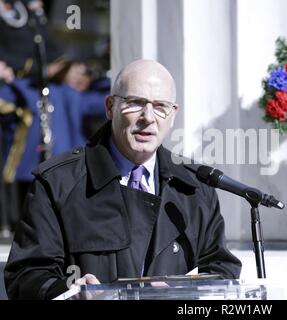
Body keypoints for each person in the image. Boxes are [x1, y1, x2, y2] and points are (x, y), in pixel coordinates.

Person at [4, 59, 242, 300]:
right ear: (110, 107)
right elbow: (26, 275)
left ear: (172, 115)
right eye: (135, 103)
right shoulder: (58, 182)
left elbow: (221, 271)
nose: (148, 117)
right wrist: (70, 291)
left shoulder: (196, 188)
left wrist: (182, 292)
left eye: (160, 106)